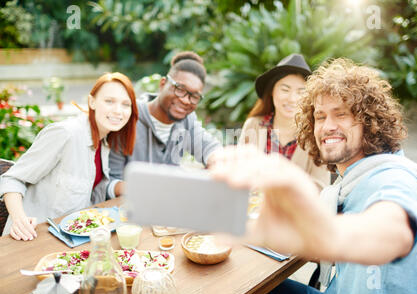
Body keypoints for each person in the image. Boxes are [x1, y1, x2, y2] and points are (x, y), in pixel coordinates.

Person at [210, 58, 417, 294]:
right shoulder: (349, 182)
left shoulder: (391, 176)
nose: (328, 126)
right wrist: (289, 236)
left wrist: (326, 234)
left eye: (341, 114)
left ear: (369, 121)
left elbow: (392, 231)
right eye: (320, 116)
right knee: (241, 291)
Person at [0, 72, 138, 241]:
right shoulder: (66, 133)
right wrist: (19, 219)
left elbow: (90, 187)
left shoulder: (104, 143)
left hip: (73, 239)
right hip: (32, 238)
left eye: (126, 104)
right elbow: (13, 178)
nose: (118, 111)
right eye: (109, 101)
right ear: (92, 102)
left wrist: (128, 188)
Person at [108, 51, 222, 198]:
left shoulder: (186, 121)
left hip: (168, 209)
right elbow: (109, 182)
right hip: (126, 211)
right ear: (163, 84)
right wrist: (149, 188)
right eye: (180, 89)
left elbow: (210, 148)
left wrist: (217, 160)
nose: (186, 100)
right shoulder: (128, 117)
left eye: (194, 96)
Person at [239, 53, 329, 189]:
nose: (292, 99)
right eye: (285, 89)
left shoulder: (316, 135)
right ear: (272, 91)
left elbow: (321, 186)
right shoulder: (254, 125)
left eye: (301, 91)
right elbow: (239, 172)